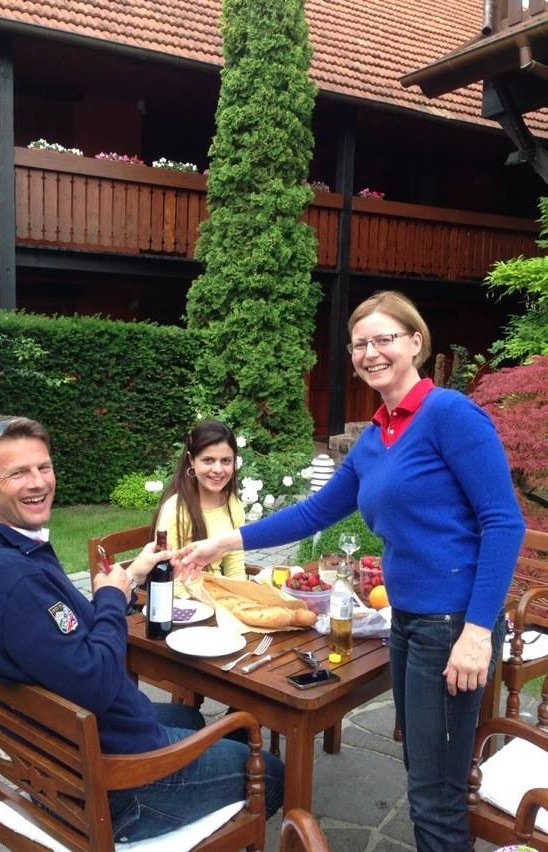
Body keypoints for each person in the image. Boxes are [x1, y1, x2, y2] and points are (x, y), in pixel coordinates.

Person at [179, 291, 525, 851]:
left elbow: (503, 523)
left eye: (384, 339)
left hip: (452, 622)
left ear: (416, 343)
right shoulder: (376, 436)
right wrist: (227, 538)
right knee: (423, 769)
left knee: (435, 793)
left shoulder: (449, 415)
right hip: (408, 621)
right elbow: (316, 510)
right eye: (360, 343)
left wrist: (478, 631)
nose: (370, 352)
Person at [0, 415, 283, 842]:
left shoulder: (4, 551)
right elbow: (97, 681)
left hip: (68, 749)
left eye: (44, 467)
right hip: (110, 786)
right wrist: (110, 597)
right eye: (18, 472)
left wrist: (127, 581)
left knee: (188, 713)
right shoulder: (14, 580)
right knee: (272, 770)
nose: (38, 482)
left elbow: (69, 636)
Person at [153, 419, 247, 595]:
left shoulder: (233, 504)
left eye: (226, 460)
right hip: (182, 605)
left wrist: (241, 601)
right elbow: (171, 579)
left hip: (220, 598)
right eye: (208, 460)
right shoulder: (175, 509)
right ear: (191, 460)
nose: (218, 469)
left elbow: (235, 569)